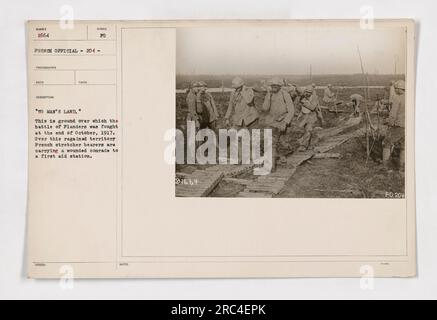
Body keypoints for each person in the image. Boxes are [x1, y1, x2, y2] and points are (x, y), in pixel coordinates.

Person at [261, 77, 296, 169]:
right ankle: (271, 166)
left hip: (282, 121)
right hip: (271, 122)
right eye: (272, 86)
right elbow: (265, 109)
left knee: (282, 143)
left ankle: (282, 156)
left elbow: (291, 110)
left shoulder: (285, 94)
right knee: (271, 142)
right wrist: (268, 96)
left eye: (276, 86)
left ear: (280, 86)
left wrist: (285, 122)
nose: (274, 87)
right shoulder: (270, 94)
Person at [382, 80, 405, 170]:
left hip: (398, 125)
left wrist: (389, 123)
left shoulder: (398, 98)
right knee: (404, 146)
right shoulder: (410, 97)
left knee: (386, 143)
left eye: (395, 89)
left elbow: (393, 114)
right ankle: (401, 167)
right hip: (408, 127)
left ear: (400, 89)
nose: (395, 90)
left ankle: (385, 166)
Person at [297, 86, 320, 151]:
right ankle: (310, 144)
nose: (307, 93)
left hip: (311, 116)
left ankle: (303, 146)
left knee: (308, 130)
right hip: (305, 116)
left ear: (311, 93)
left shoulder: (314, 98)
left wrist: (304, 103)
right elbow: (302, 108)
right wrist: (300, 115)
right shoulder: (304, 97)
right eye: (306, 92)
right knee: (307, 130)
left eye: (309, 92)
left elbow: (312, 107)